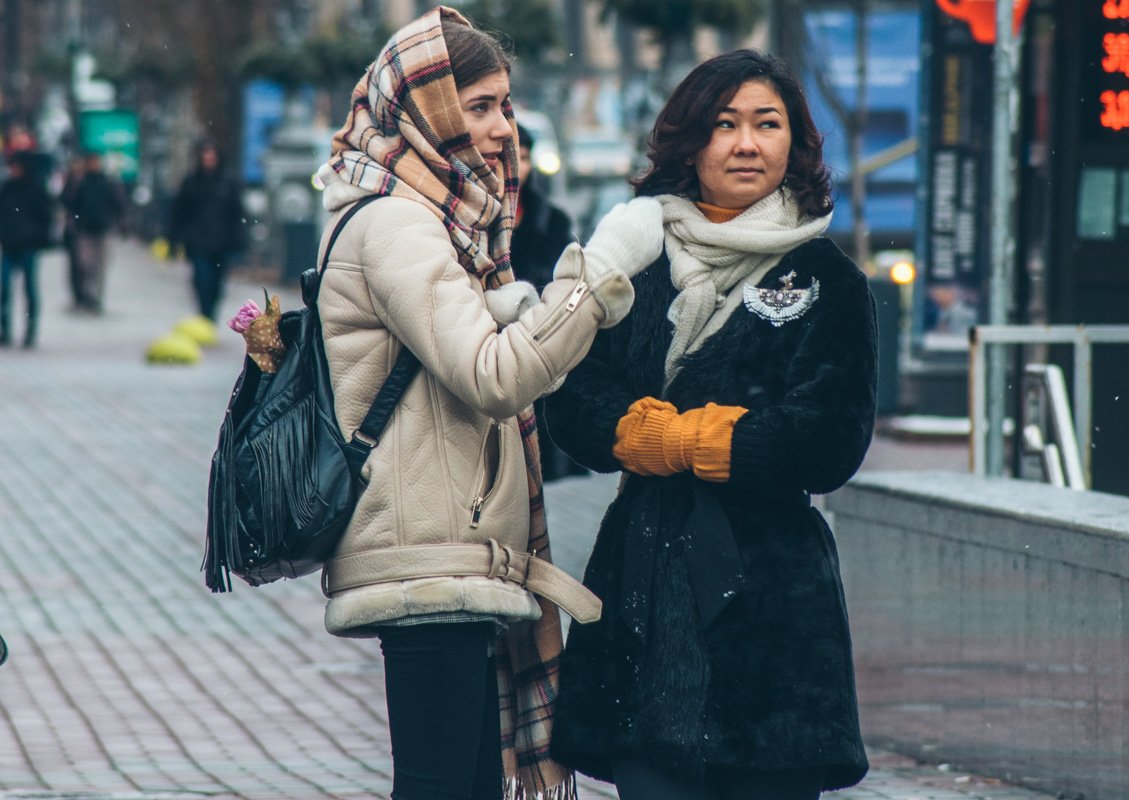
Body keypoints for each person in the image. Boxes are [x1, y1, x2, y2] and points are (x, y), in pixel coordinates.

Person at [312, 7, 663, 800]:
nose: (503, 128)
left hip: (447, 549)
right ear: (426, 110)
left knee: (464, 785)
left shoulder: (435, 220)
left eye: (505, 104)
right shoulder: (398, 223)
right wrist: (595, 283)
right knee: (443, 786)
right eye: (479, 106)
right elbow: (494, 377)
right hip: (426, 555)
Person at [544, 49, 877, 799]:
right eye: (724, 125)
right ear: (688, 141)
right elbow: (570, 396)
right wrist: (632, 433)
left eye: (767, 124)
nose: (746, 144)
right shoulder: (633, 261)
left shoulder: (826, 280)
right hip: (642, 584)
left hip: (773, 605)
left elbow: (828, 437)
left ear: (795, 143)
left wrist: (695, 440)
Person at [510, 120, 586, 482]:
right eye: (510, 156)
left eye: (523, 157)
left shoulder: (552, 221)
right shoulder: (469, 221)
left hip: (539, 354)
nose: (516, 167)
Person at [169, 140, 247, 321]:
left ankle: (210, 313)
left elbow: (237, 212)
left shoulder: (227, 183)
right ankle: (204, 313)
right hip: (198, 242)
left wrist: (238, 239)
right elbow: (179, 212)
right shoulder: (191, 182)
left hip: (222, 243)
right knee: (201, 280)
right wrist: (176, 239)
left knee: (217, 284)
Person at [0, 151, 54, 348]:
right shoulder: (7, 188)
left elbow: (45, 217)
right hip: (9, 245)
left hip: (28, 245)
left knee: (29, 289)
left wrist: (38, 237)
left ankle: (30, 330)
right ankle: (5, 329)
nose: (13, 171)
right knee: (4, 288)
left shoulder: (36, 189)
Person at [64, 152, 124, 313]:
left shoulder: (107, 182)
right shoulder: (81, 182)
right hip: (84, 230)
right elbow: (69, 202)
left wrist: (117, 221)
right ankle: (86, 294)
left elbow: (117, 203)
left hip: (102, 229)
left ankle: (95, 297)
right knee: (85, 265)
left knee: (100, 266)